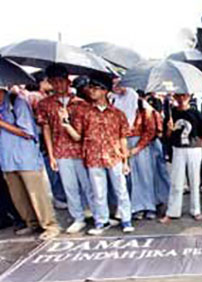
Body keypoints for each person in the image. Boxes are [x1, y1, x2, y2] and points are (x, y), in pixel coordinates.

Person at [61, 73, 133, 235]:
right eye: (91, 88)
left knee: (120, 189)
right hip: (93, 157)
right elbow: (78, 136)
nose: (91, 91)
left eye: (96, 88)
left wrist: (125, 160)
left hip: (114, 156)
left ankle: (126, 219)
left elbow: (123, 138)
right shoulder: (85, 113)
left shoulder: (117, 114)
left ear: (105, 91)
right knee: (98, 192)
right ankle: (102, 221)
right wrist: (66, 124)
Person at [36, 63, 95, 234]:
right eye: (54, 81)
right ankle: (78, 217)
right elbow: (46, 128)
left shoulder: (80, 103)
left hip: (81, 149)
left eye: (61, 81)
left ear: (68, 81)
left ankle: (98, 214)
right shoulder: (45, 104)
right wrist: (52, 154)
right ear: (50, 83)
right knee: (69, 187)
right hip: (61, 150)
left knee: (89, 184)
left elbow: (87, 129)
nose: (58, 85)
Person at [0, 87, 60, 239]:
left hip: (25, 156)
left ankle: (49, 225)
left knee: (36, 193)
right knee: (18, 195)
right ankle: (31, 223)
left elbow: (27, 132)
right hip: (7, 158)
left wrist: (2, 123)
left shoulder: (17, 103)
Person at [160, 93, 202, 223]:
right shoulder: (171, 113)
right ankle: (172, 211)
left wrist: (199, 146)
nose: (181, 99)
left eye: (184, 96)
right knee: (176, 181)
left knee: (194, 180)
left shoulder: (196, 113)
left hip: (194, 148)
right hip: (178, 148)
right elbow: (166, 136)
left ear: (189, 97)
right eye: (178, 96)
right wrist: (169, 129)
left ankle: (196, 209)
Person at [127, 98, 160, 220]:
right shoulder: (115, 102)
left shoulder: (143, 107)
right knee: (129, 178)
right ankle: (135, 207)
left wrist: (138, 147)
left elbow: (150, 130)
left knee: (145, 176)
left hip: (141, 144)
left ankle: (149, 206)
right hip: (123, 143)